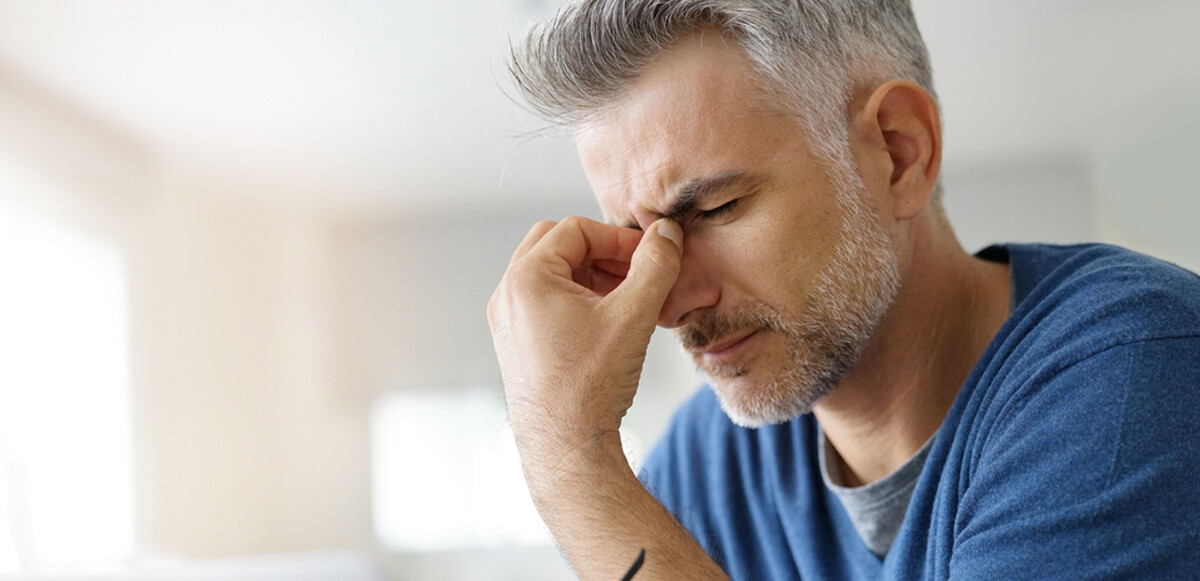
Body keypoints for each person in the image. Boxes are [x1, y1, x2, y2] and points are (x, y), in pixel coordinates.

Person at [486, 1, 1200, 579]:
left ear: (897, 153)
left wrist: (572, 459)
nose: (671, 304)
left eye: (713, 210)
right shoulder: (705, 472)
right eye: (641, 241)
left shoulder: (1136, 372)